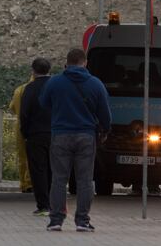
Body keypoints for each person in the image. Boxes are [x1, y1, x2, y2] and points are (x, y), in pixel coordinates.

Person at [39, 49, 111, 232]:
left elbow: (43, 103)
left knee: (58, 179)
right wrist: (105, 129)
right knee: (85, 180)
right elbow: (105, 113)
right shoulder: (96, 84)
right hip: (86, 136)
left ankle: (55, 220)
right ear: (85, 62)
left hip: (60, 135)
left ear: (67, 62)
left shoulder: (54, 82)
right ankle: (82, 221)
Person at [20, 58, 52, 216]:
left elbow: (24, 113)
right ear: (49, 70)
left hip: (36, 134)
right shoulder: (57, 86)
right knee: (54, 169)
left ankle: (43, 205)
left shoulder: (30, 88)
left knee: (38, 170)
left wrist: (25, 133)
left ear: (33, 71)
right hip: (57, 133)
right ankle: (54, 203)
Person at [9, 76, 33, 193]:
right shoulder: (42, 88)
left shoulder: (19, 90)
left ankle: (23, 183)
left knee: (22, 157)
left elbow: (12, 107)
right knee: (34, 156)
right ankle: (30, 182)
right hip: (35, 127)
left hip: (20, 126)